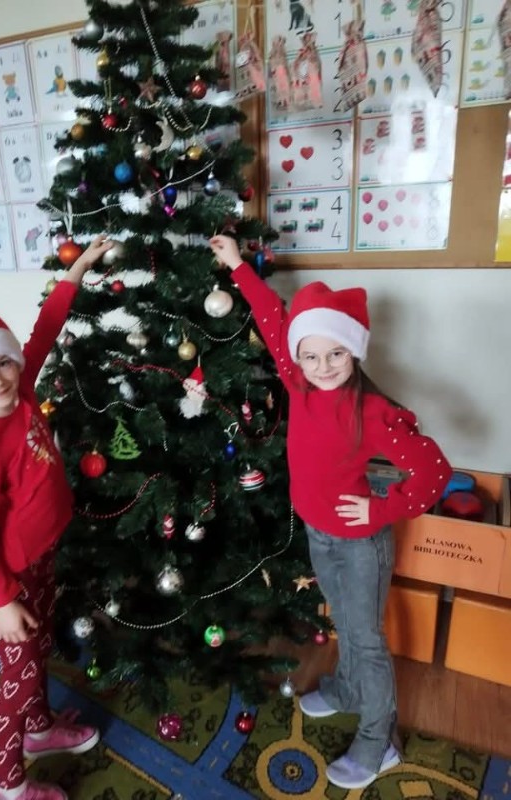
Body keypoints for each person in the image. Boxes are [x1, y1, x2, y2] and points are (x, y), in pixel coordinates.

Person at [208, 234, 452, 791]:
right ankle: (345, 689)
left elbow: (434, 473)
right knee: (344, 621)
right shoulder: (297, 382)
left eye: (336, 354)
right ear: (297, 357)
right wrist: (238, 266)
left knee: (366, 640)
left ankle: (379, 741)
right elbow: (274, 318)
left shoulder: (374, 411)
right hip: (320, 535)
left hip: (361, 544)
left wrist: (380, 510)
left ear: (355, 351)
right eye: (312, 355)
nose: (323, 366)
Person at [0, 235, 114, 800]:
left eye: (2, 363)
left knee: (37, 653)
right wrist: (5, 600)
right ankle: (6, 780)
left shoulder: (23, 387)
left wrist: (77, 269)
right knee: (19, 672)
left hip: (40, 558)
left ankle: (38, 729)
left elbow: (46, 327)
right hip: (7, 576)